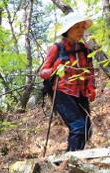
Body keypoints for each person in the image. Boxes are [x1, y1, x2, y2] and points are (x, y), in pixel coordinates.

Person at [40, 13, 96, 152]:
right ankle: (71, 161)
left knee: (86, 128)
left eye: (82, 27)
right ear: (68, 29)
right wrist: (55, 68)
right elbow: (43, 72)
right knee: (78, 126)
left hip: (80, 93)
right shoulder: (57, 48)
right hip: (62, 92)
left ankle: (72, 160)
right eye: (77, 27)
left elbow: (89, 71)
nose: (81, 30)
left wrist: (91, 87)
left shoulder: (85, 50)